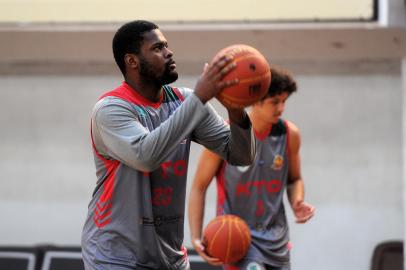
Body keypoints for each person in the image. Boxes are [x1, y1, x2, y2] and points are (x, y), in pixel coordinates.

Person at [81, 20, 256, 270]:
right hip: (115, 257)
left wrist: (236, 111)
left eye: (167, 45)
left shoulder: (183, 100)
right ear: (132, 61)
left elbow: (241, 155)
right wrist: (200, 98)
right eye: (157, 48)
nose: (169, 52)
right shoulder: (111, 109)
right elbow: (146, 155)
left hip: (169, 257)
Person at [188, 65, 315, 270]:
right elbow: (198, 187)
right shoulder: (225, 134)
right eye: (275, 102)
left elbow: (294, 180)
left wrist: (297, 201)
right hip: (238, 238)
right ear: (255, 100)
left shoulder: (290, 134)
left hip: (277, 240)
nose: (281, 108)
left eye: (284, 101)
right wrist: (195, 236)